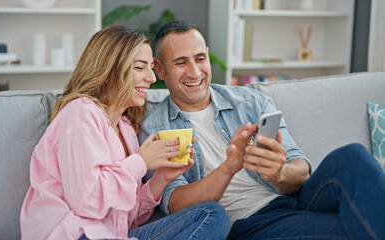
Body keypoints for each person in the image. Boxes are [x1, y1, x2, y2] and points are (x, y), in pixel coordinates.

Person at [138, 20, 385, 239]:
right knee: (349, 227)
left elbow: (301, 170)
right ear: (160, 69)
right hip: (251, 223)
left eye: (200, 58)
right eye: (181, 62)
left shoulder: (250, 101)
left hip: (297, 200)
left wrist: (278, 173)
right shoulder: (154, 127)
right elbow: (177, 203)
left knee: (352, 156)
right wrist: (228, 168)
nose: (194, 71)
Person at [20, 25, 231, 240]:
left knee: (212, 215)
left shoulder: (126, 129)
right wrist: (140, 161)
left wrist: (160, 179)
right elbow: (87, 203)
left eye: (150, 67)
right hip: (74, 234)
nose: (151, 78)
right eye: (140, 68)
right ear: (110, 71)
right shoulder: (81, 113)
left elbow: (127, 219)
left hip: (114, 235)